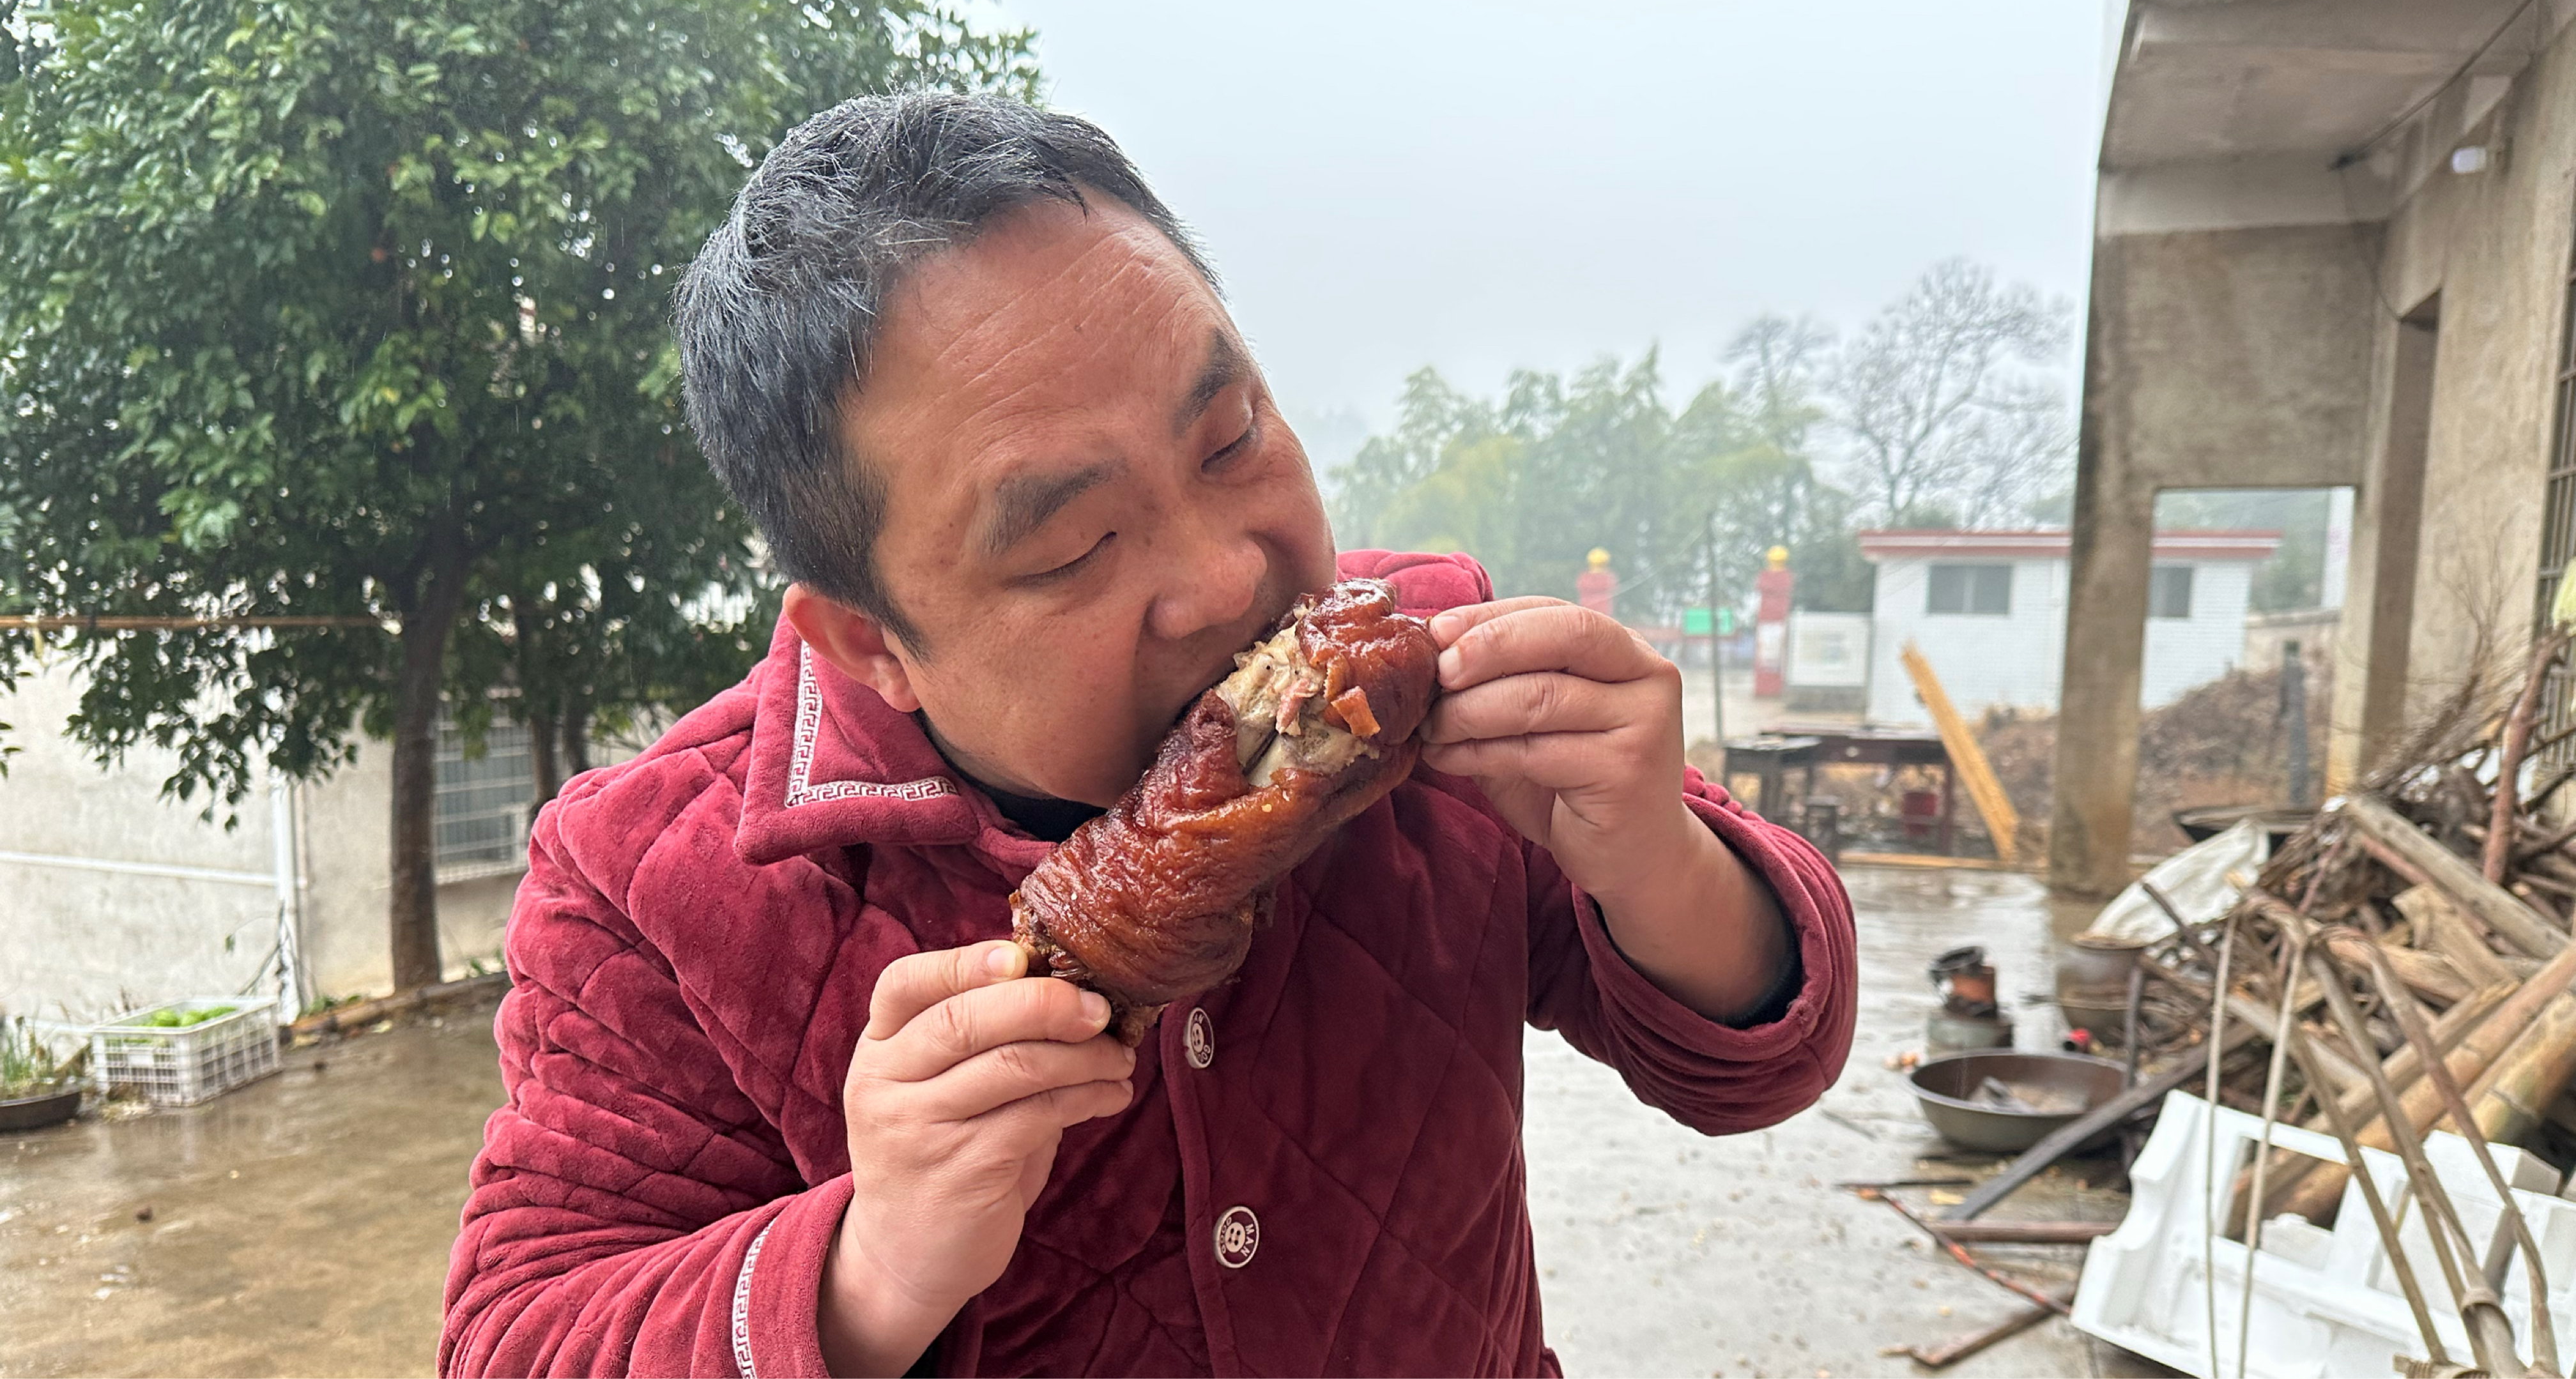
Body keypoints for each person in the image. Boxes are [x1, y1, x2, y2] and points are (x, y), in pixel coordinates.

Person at [440, 94, 1857, 1379]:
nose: (1229, 579)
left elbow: (1762, 1060)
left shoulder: (1434, 671)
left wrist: (1661, 858)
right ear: (871, 641)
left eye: (1232, 437)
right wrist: (869, 1267)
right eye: (1071, 545)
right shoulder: (649, 882)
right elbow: (513, 1338)